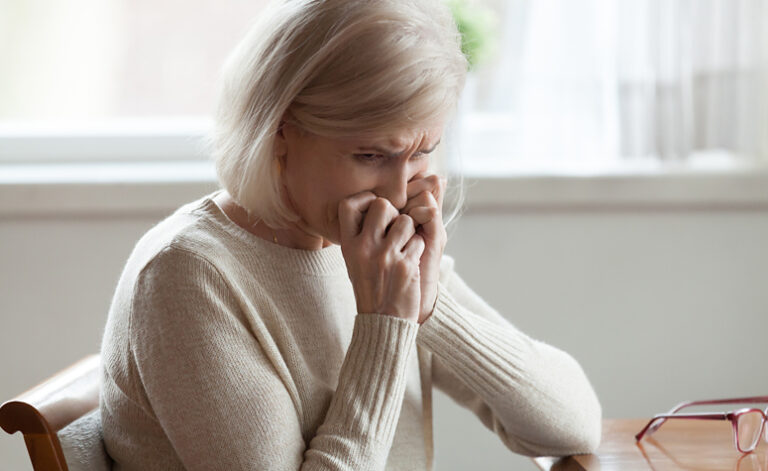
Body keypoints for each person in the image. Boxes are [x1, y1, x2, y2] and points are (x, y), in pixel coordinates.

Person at [99, 0, 602, 469]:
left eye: (423, 152)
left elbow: (574, 425)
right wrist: (385, 325)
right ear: (279, 129)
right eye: (370, 156)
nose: (398, 192)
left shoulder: (369, 253)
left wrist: (427, 307)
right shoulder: (185, 277)